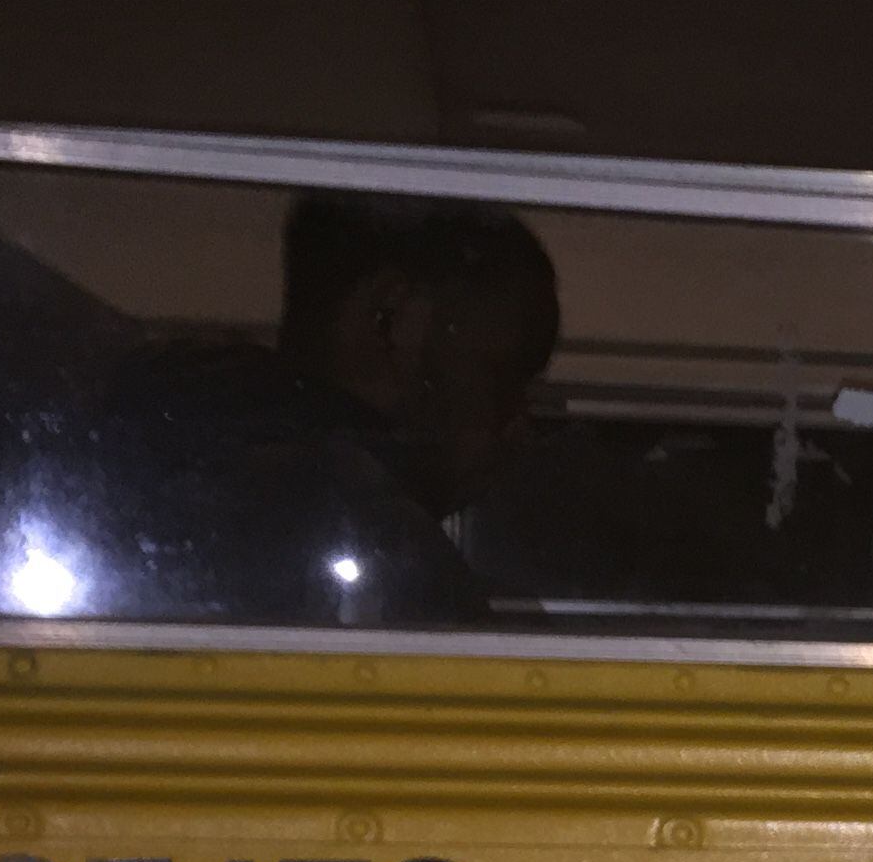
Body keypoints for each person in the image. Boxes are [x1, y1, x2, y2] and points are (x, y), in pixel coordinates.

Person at [101, 194, 561, 625]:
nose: (517, 425)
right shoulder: (383, 547)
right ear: (395, 318)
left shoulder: (120, 472)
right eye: (502, 375)